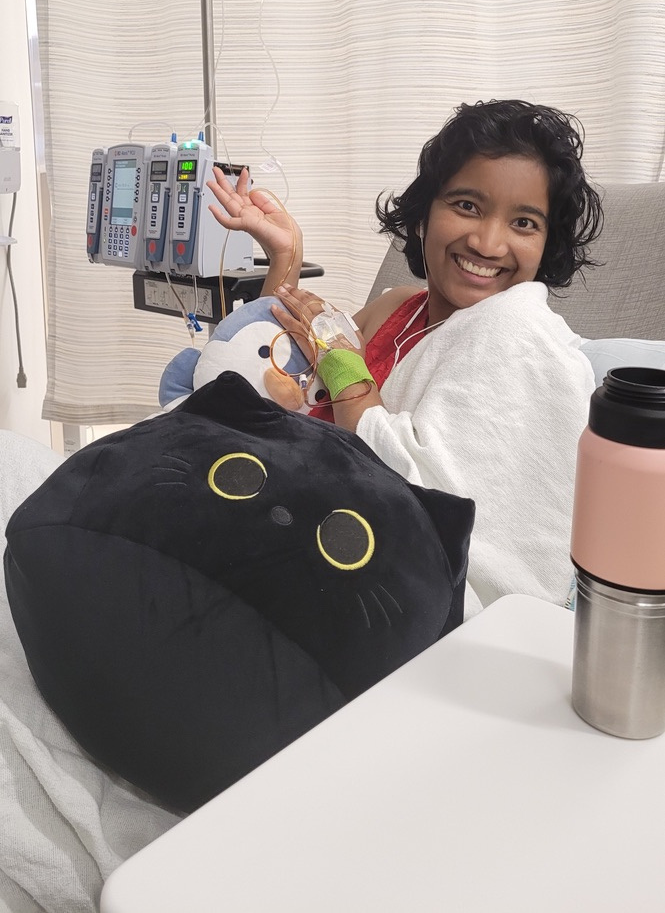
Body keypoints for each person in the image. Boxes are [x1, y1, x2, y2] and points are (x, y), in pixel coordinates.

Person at [205, 98, 603, 615]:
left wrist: (348, 372)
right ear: (423, 217)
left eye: (524, 223)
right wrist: (286, 253)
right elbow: (290, 359)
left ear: (546, 244)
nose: (487, 242)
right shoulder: (398, 306)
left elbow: (427, 491)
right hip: (291, 505)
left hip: (377, 579)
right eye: (467, 206)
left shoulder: (517, 335)